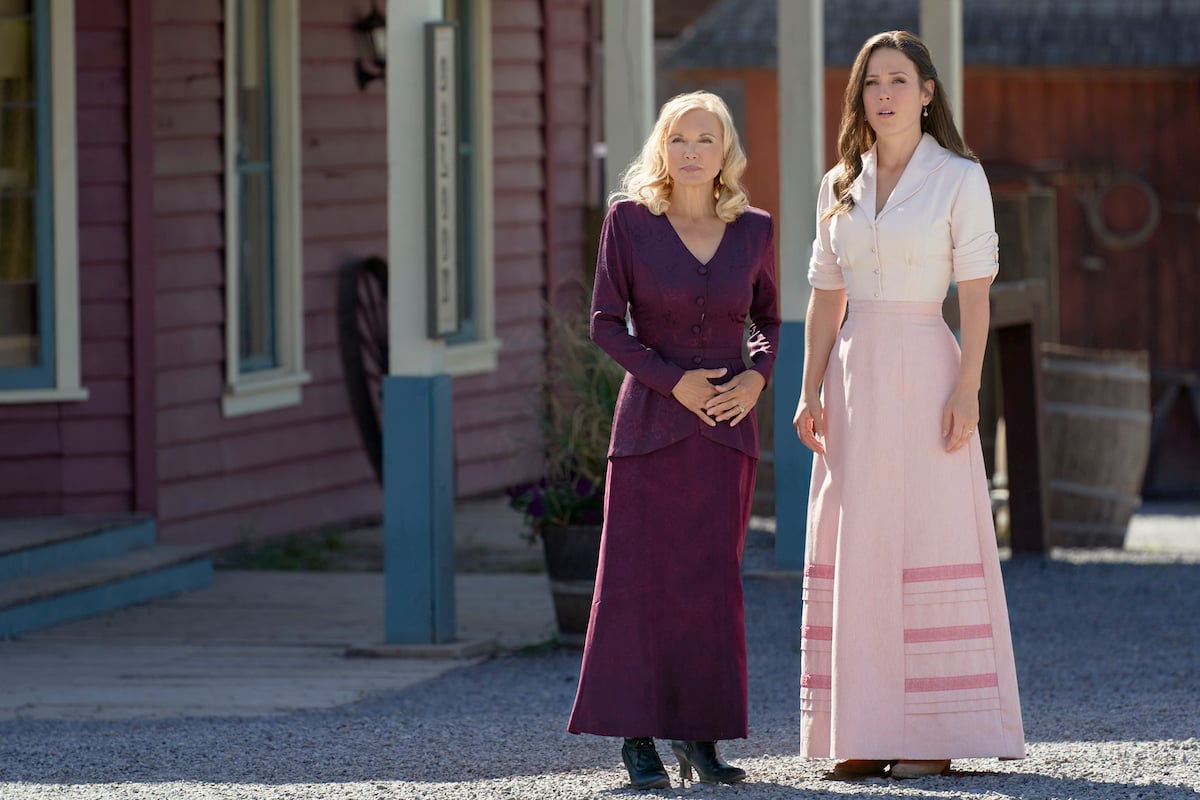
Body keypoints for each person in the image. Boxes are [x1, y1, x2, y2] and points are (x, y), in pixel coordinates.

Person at [792, 31, 1026, 780]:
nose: (884, 95)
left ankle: (932, 733)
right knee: (858, 542)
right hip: (853, 375)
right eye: (871, 83)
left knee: (931, 536)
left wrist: (969, 389)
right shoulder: (839, 184)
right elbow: (825, 302)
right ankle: (860, 730)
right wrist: (807, 391)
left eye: (899, 80)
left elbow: (978, 298)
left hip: (930, 363)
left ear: (928, 92)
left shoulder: (961, 177)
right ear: (860, 97)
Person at [566, 90, 780, 790]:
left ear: (726, 154)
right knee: (636, 586)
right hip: (648, 434)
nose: (691, 152)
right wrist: (671, 381)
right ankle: (636, 741)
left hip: (725, 435)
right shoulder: (628, 222)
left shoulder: (754, 229)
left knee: (713, 588)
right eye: (679, 139)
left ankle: (703, 740)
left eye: (705, 140)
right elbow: (605, 322)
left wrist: (757, 379)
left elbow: (766, 322)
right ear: (662, 146)